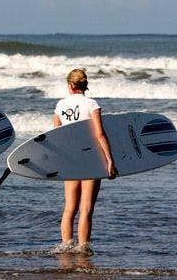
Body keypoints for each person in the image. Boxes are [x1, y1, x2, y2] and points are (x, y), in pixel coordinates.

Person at [53, 68, 117, 254]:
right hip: (91, 159)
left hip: (70, 159)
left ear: (70, 85)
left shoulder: (61, 105)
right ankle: (83, 249)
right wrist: (109, 160)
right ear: (84, 84)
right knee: (86, 209)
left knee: (69, 208)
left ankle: (66, 246)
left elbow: (56, 136)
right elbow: (100, 134)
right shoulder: (91, 104)